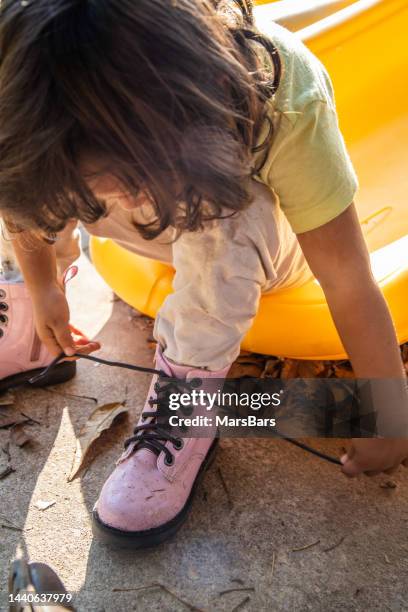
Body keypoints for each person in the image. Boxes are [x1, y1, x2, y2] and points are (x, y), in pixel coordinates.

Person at [0, 0, 407, 548]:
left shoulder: (281, 100)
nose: (127, 200)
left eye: (130, 178)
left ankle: (188, 404)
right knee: (40, 170)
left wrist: (388, 414)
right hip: (152, 201)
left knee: (228, 218)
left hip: (247, 230)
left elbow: (347, 276)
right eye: (104, 186)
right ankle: (28, 321)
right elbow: (26, 194)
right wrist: (46, 286)